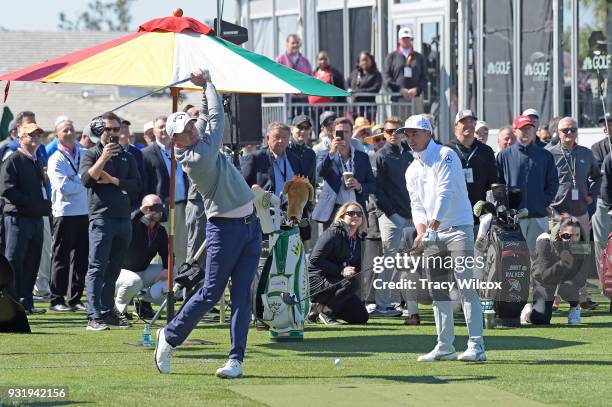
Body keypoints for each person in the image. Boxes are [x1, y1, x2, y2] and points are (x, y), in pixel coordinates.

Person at [155, 69, 262, 379]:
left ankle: (235, 360)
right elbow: (217, 119)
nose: (193, 130)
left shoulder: (196, 140)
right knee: (211, 292)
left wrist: (202, 92)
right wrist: (209, 84)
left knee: (242, 295)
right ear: (177, 141)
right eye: (187, 131)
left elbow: (205, 115)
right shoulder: (196, 155)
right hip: (224, 230)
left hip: (249, 227)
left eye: (191, 127)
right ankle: (170, 336)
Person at [403, 114, 485, 362]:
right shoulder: (412, 169)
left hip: (458, 228)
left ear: (428, 133)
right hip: (432, 232)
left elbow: (445, 192)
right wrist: (421, 231)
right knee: (438, 289)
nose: (410, 139)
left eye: (415, 133)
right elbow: (417, 205)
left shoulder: (445, 155)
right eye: (407, 135)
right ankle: (445, 345)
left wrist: (431, 228)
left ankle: (476, 346)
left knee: (465, 286)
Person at [80, 111, 141, 331]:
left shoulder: (128, 156)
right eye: (108, 129)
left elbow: (136, 185)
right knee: (96, 267)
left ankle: (107, 312)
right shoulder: (91, 153)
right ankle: (93, 315)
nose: (113, 133)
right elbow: (87, 180)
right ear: (99, 130)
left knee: (114, 268)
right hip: (101, 217)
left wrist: (113, 180)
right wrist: (103, 158)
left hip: (123, 218)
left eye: (116, 129)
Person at [0, 122, 51, 315]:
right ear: (20, 138)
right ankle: (11, 304)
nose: (35, 139)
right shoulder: (13, 159)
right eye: (31, 135)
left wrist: (43, 206)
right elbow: (7, 189)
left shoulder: (36, 160)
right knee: (14, 261)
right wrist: (33, 204)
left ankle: (26, 303)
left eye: (38, 135)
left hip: (35, 219)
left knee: (32, 262)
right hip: (17, 219)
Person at [496, 115, 559, 257]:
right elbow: (498, 184)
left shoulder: (545, 155)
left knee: (539, 258)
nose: (526, 132)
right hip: (513, 219)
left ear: (534, 130)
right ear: (515, 130)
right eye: (522, 129)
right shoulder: (504, 155)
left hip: (538, 216)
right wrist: (505, 208)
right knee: (515, 259)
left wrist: (543, 202)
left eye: (529, 128)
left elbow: (553, 182)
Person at [373, 116, 416, 320]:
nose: (393, 134)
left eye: (397, 131)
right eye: (389, 131)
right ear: (384, 133)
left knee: (407, 262)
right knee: (388, 261)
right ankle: (382, 304)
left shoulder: (409, 155)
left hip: (411, 214)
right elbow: (377, 191)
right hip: (391, 216)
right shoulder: (380, 156)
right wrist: (392, 214)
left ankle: (404, 301)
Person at [47, 118, 89, 312]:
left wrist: (77, 181)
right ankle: (56, 299)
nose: (69, 133)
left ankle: (75, 298)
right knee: (61, 257)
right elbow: (63, 187)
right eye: (65, 130)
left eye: (71, 129)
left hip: (84, 211)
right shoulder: (56, 158)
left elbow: (92, 178)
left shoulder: (83, 153)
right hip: (64, 213)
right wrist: (83, 180)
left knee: (81, 258)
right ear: (57, 136)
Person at [308, 201, 369, 325]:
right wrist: (341, 270)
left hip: (339, 284)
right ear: (342, 216)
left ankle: (317, 308)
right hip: (316, 281)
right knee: (351, 283)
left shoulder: (359, 239)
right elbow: (314, 260)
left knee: (361, 317)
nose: (356, 216)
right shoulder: (333, 233)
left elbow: (355, 267)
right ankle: (326, 312)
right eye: (351, 213)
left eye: (359, 214)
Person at [142, 116, 190, 272]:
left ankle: (181, 287)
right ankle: (157, 291)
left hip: (183, 206)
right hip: (160, 210)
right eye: (160, 127)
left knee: (182, 248)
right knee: (160, 251)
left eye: (165, 127)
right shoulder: (146, 154)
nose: (163, 130)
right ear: (153, 131)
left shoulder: (181, 148)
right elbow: (145, 184)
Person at [521, 216, 586, 325]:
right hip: (544, 279)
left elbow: (581, 277)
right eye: (567, 236)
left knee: (570, 286)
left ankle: (575, 307)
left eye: (576, 235)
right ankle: (529, 310)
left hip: (565, 279)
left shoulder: (581, 244)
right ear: (560, 234)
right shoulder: (544, 241)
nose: (572, 239)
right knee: (540, 320)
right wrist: (561, 263)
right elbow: (545, 276)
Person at [312, 118, 376, 229]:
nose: (343, 135)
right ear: (333, 134)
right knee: (331, 245)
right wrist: (332, 153)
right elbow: (320, 173)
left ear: (352, 134)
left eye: (346, 132)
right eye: (339, 132)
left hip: (356, 211)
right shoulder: (325, 154)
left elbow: (373, 185)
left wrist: (359, 186)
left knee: (356, 245)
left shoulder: (362, 157)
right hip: (333, 211)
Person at [114, 194, 168, 319]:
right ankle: (118, 310)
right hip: (119, 273)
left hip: (141, 271)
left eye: (160, 207)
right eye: (153, 207)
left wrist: (166, 269)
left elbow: (167, 253)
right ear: (145, 208)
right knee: (133, 281)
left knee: (172, 272)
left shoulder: (160, 230)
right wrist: (140, 211)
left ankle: (144, 304)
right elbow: (129, 219)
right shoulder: (134, 224)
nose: (158, 211)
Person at [547, 117, 600, 240]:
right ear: (558, 132)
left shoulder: (586, 153)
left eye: (573, 130)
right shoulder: (549, 154)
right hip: (557, 215)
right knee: (558, 253)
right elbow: (540, 182)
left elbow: (597, 177)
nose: (569, 133)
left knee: (582, 252)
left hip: (580, 213)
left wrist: (592, 196)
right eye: (565, 130)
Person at [446, 110, 497, 218]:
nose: (469, 125)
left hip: (481, 215)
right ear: (456, 126)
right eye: (464, 122)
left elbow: (492, 182)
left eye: (472, 122)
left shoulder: (486, 151)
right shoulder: (446, 151)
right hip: (455, 216)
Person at [241, 122, 302, 197]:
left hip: (291, 207)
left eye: (284, 137)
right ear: (267, 138)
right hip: (265, 207)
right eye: (277, 137)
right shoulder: (255, 158)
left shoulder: (294, 159)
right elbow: (242, 187)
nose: (281, 140)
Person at [383, 27, 427, 116]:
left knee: (416, 126)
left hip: (415, 98)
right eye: (404, 38)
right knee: (399, 127)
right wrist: (400, 90)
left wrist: (416, 90)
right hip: (398, 98)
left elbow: (424, 77)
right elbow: (386, 77)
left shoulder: (419, 57)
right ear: (399, 40)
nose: (406, 40)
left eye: (408, 38)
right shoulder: (391, 57)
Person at [592, 113, 612, 272]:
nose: (606, 126)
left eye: (610, 123)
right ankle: (603, 275)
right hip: (603, 201)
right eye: (604, 124)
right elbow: (600, 174)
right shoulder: (597, 147)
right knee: (601, 241)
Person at [118, 117, 146, 210]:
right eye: (121, 127)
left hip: (134, 204)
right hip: (114, 204)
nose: (124, 129)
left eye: (126, 127)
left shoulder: (137, 152)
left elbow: (142, 179)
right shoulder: (107, 151)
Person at [288, 115, 317, 189]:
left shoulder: (311, 153)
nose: (303, 131)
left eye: (306, 128)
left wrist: (312, 199)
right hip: (287, 198)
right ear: (291, 129)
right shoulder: (284, 150)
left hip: (305, 199)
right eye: (300, 127)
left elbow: (311, 182)